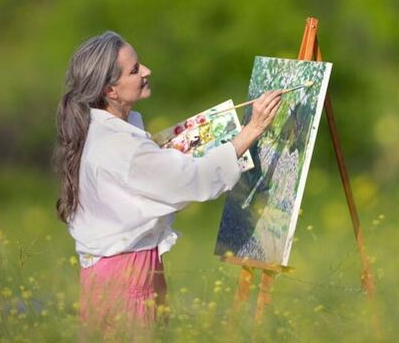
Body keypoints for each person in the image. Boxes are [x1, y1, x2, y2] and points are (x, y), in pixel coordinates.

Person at [53, 31, 282, 338]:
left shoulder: (103, 128)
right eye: (134, 70)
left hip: (117, 274)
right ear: (110, 89)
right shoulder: (121, 146)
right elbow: (194, 180)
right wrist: (252, 130)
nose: (146, 71)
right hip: (125, 282)